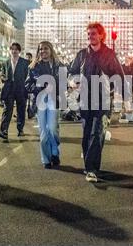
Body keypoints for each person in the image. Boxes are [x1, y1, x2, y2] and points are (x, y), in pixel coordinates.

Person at [69, 23, 127, 183]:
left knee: (97, 132)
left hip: (103, 100)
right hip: (85, 100)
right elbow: (71, 73)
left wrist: (115, 92)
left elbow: (120, 77)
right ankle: (89, 163)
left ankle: (91, 169)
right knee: (87, 133)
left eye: (93, 33)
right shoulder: (81, 54)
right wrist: (73, 82)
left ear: (101, 35)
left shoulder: (109, 54)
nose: (90, 36)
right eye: (88, 34)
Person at [26, 41, 64, 169]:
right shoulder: (33, 67)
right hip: (40, 101)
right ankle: (46, 159)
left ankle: (54, 151)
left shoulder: (59, 66)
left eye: (45, 49)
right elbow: (28, 85)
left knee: (53, 129)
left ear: (51, 50)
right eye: (40, 49)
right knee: (43, 133)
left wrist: (55, 88)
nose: (43, 51)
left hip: (54, 99)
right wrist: (41, 86)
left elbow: (64, 85)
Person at [0, 43, 29, 140]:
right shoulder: (6, 62)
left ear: (19, 51)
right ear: (10, 51)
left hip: (21, 88)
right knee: (7, 110)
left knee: (21, 110)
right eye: (12, 49)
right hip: (9, 89)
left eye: (16, 49)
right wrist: (3, 77)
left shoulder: (24, 62)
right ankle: (4, 131)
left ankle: (20, 129)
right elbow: (3, 74)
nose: (14, 51)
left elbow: (27, 76)